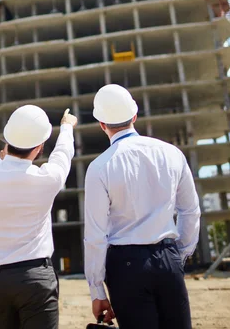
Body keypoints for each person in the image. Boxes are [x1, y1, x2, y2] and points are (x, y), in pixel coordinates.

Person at [84, 84, 200, 329]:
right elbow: (190, 211)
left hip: (126, 266)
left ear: (101, 124)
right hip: (168, 257)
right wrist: (179, 255)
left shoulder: (99, 167)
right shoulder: (172, 153)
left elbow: (96, 235)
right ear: (134, 117)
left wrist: (97, 291)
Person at [0, 104, 76, 329]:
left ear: (8, 141)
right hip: (37, 279)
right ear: (40, 147)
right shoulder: (47, 179)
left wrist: (0, 156)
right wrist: (66, 128)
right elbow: (63, 155)